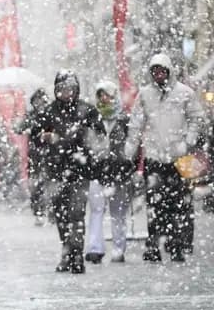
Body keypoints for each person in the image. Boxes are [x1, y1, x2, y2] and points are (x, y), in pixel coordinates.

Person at [125, 52, 204, 262]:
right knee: (154, 204)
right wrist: (130, 149)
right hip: (155, 157)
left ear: (169, 71)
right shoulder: (145, 95)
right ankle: (153, 245)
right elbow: (135, 124)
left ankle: (176, 244)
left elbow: (197, 119)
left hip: (179, 158)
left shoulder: (184, 93)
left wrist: (188, 141)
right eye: (155, 71)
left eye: (162, 71)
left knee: (179, 204)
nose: (158, 74)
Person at [31, 70, 105, 274]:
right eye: (62, 89)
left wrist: (85, 139)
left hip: (80, 171)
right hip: (55, 171)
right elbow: (35, 137)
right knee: (61, 215)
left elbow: (99, 137)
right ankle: (67, 250)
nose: (66, 93)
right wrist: (45, 139)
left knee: (76, 214)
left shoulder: (87, 111)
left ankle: (76, 255)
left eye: (70, 88)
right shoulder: (48, 112)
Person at [84, 80, 133, 264]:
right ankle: (95, 248)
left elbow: (133, 145)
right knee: (96, 209)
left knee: (118, 212)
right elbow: (88, 143)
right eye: (101, 95)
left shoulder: (124, 120)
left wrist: (131, 165)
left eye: (108, 95)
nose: (105, 99)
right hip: (97, 171)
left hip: (119, 171)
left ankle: (119, 250)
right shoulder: (92, 118)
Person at [15, 88, 51, 225]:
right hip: (35, 155)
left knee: (49, 183)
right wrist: (28, 125)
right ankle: (38, 212)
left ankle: (51, 211)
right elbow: (19, 129)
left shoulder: (51, 114)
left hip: (50, 155)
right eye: (36, 101)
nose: (39, 103)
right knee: (36, 186)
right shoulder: (31, 116)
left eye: (41, 100)